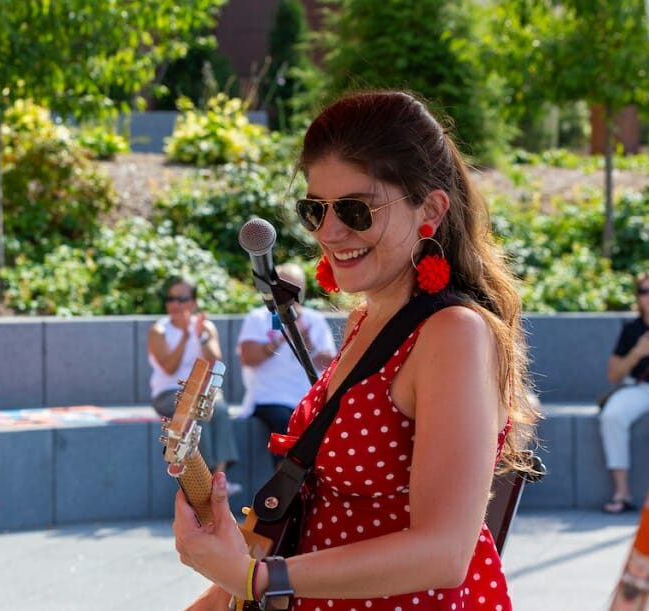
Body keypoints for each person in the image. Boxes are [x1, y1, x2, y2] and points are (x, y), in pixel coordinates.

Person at [172, 90, 539, 610]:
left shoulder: (453, 332)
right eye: (314, 209)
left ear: (430, 210)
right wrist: (238, 574)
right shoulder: (368, 320)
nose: (329, 231)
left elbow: (444, 551)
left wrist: (256, 577)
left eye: (355, 209)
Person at [149, 276, 242, 496]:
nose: (176, 305)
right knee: (193, 408)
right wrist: (184, 335)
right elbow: (169, 368)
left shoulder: (206, 327)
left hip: (202, 390)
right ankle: (205, 477)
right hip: (168, 393)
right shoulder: (158, 331)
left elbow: (215, 362)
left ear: (193, 302)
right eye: (171, 299)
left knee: (217, 408)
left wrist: (200, 337)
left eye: (181, 299)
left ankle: (219, 479)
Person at [236, 263, 337, 457]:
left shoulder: (315, 320)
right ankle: (288, 483)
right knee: (288, 426)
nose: (289, 293)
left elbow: (330, 365)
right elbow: (248, 358)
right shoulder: (257, 318)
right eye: (284, 286)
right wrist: (281, 338)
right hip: (269, 398)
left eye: (295, 287)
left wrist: (308, 344)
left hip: (307, 399)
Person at [599, 271, 649, 514]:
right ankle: (622, 492)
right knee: (612, 415)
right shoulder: (632, 330)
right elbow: (613, 375)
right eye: (644, 292)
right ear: (638, 298)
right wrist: (638, 352)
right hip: (640, 388)